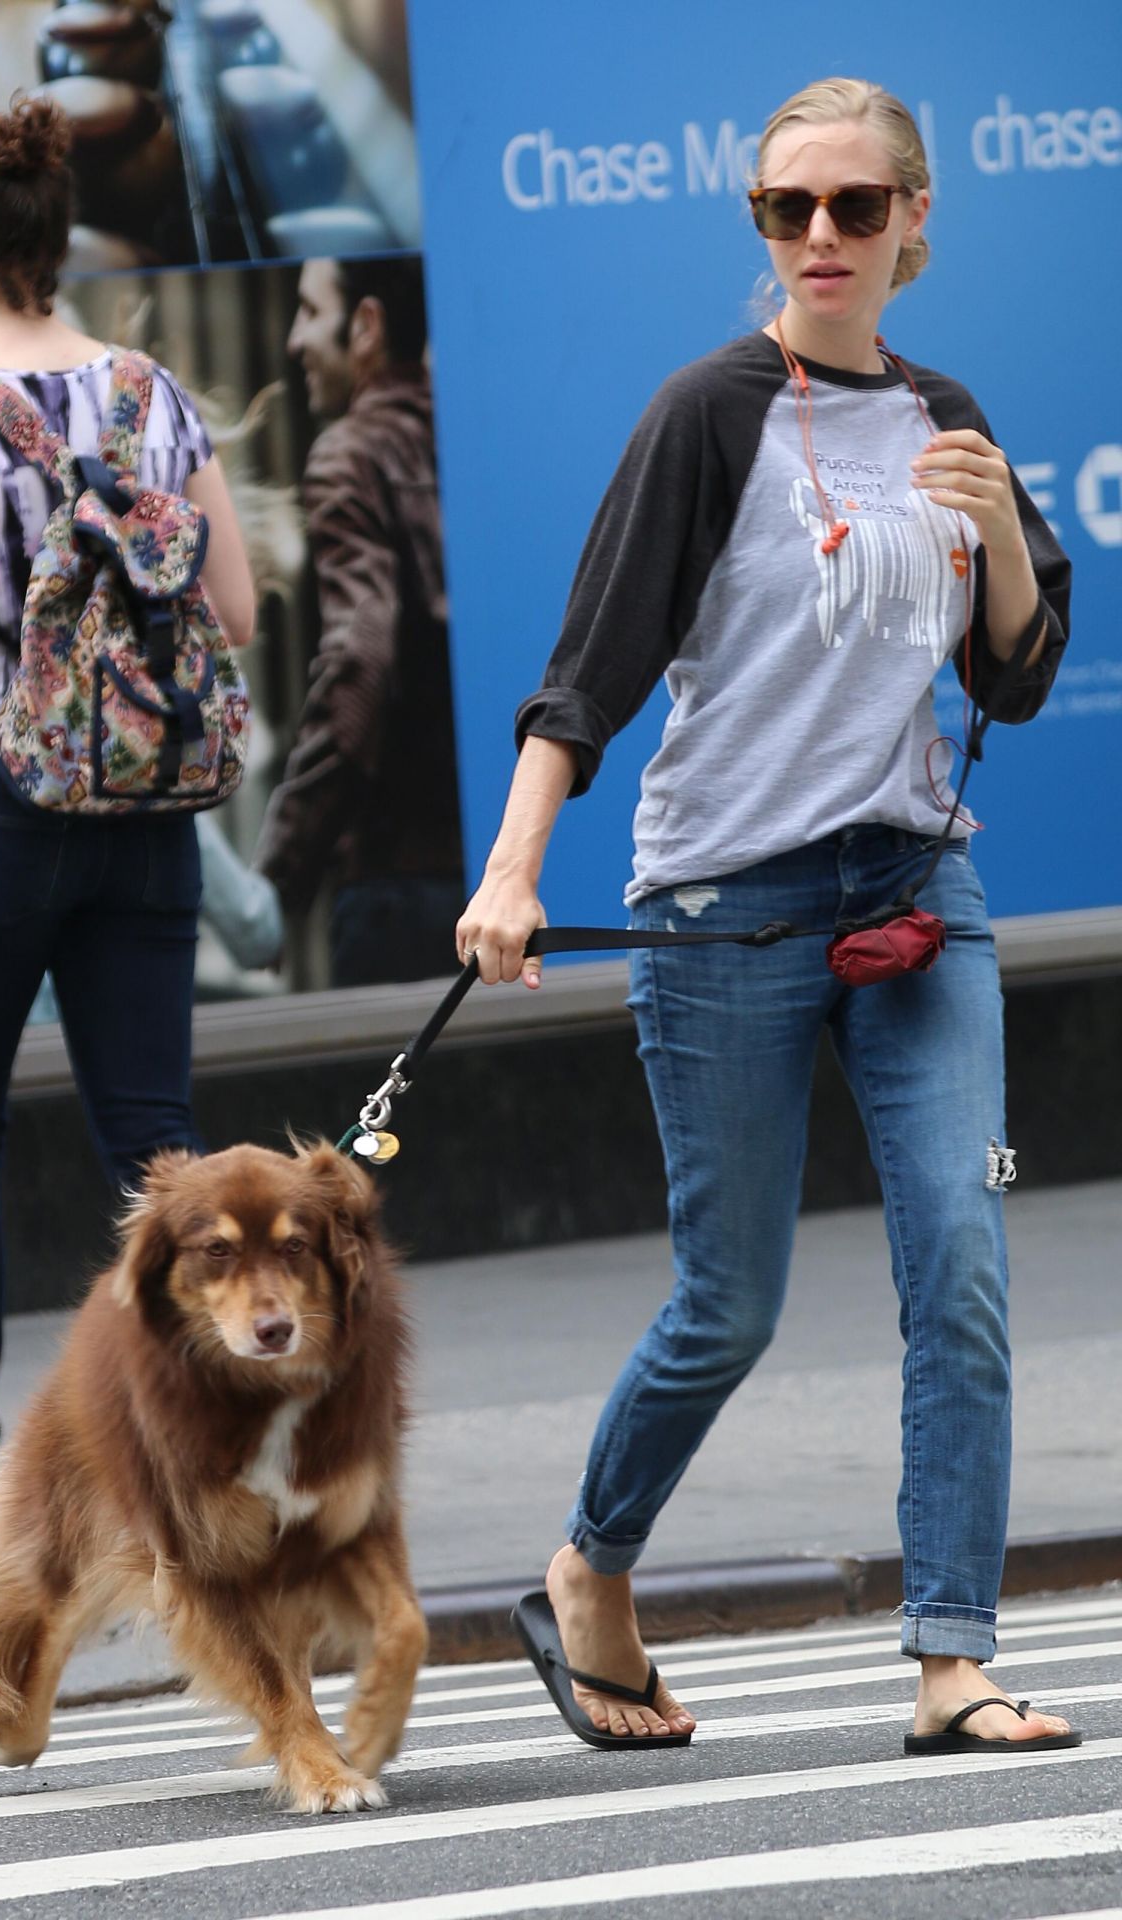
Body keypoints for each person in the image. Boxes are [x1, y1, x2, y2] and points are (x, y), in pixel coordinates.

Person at [458, 78, 1081, 1755]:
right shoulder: (710, 413)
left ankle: (954, 1654)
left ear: (915, 225)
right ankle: (590, 1565)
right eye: (787, 209)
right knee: (728, 1302)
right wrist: (513, 872)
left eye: (855, 208)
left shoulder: (948, 412)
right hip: (727, 899)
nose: (820, 236)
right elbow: (581, 679)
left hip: (911, 891)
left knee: (959, 1254)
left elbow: (1014, 678)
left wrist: (998, 532)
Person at [0, 98, 255, 1540]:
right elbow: (240, 613)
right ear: (57, 241)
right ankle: (202, 1438)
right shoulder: (155, 398)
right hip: (149, 821)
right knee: (155, 1148)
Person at [253, 255, 464, 988]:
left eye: (310, 312)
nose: (292, 340)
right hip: (498, 881)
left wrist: (275, 881)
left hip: (396, 897)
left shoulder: (350, 451)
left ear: (366, 326)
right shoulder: (474, 444)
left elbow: (360, 661)